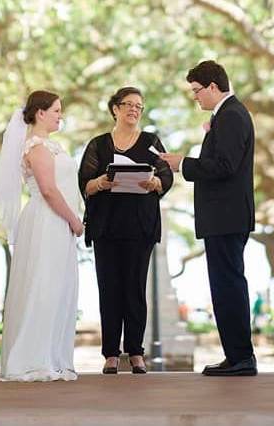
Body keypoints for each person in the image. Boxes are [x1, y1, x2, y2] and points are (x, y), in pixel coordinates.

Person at [161, 60, 256, 376]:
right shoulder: (227, 116)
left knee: (228, 286)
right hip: (224, 217)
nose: (195, 97)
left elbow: (225, 165)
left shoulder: (231, 116)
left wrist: (183, 164)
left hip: (227, 217)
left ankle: (242, 357)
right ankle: (236, 355)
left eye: (197, 90)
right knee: (224, 286)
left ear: (214, 87)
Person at [0, 91, 83, 382]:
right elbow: (49, 190)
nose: (60, 116)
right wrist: (74, 221)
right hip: (47, 220)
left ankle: (53, 356)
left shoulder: (52, 145)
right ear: (40, 113)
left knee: (59, 287)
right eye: (55, 110)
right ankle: (34, 358)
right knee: (43, 285)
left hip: (57, 222)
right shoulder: (37, 147)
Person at [78, 87, 173, 374]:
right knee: (109, 290)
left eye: (139, 106)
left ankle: (136, 353)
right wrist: (102, 183)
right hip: (106, 226)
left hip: (139, 226)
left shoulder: (151, 141)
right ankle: (110, 354)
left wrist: (155, 183)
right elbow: (84, 183)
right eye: (128, 104)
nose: (134, 109)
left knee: (135, 289)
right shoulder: (98, 144)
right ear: (115, 109)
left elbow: (166, 173)